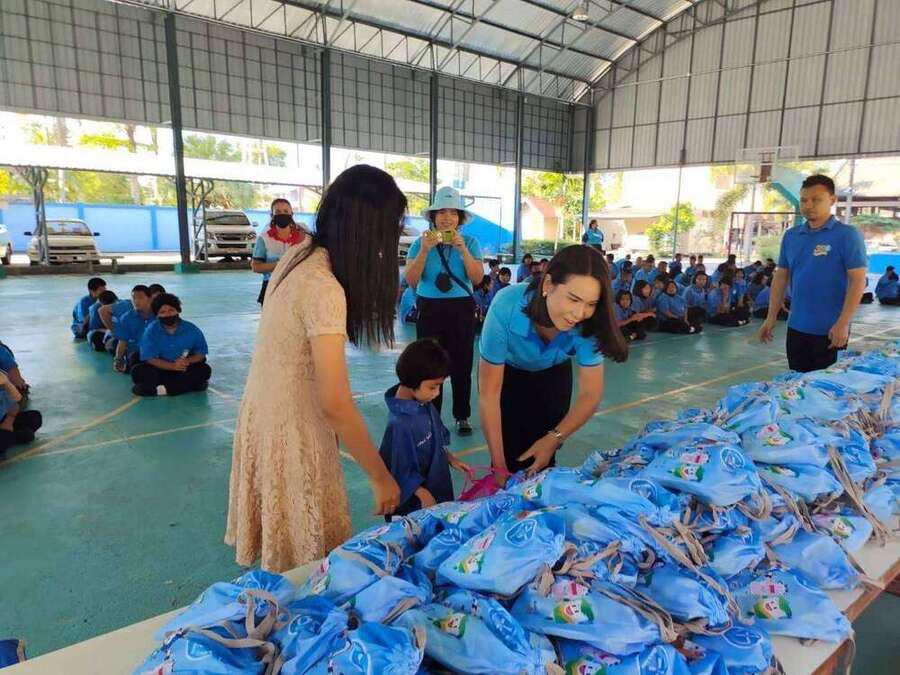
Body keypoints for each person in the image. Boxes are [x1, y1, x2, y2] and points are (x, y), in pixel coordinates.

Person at [226, 165, 404, 572]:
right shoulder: (324, 286)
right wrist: (380, 477)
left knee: (290, 557)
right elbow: (336, 403)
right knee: (305, 565)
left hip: (264, 414)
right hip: (292, 429)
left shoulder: (299, 255)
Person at [478, 245, 629, 476]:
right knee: (509, 453)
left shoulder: (589, 324)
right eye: (573, 299)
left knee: (543, 457)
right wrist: (498, 466)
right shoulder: (506, 305)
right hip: (510, 374)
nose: (579, 314)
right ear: (548, 284)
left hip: (554, 375)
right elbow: (489, 393)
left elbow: (591, 394)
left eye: (591, 304)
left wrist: (555, 438)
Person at [758, 175, 868, 372]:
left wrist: (843, 323)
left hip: (831, 330)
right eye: (804, 200)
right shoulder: (791, 236)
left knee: (824, 385)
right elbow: (781, 276)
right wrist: (771, 316)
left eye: (816, 200)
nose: (808, 205)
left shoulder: (847, 235)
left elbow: (858, 281)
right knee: (797, 380)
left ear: (832, 200)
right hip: (796, 327)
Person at [404, 187, 483, 436]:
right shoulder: (419, 244)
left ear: (460, 218)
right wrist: (425, 250)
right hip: (429, 308)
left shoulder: (471, 243)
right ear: (433, 216)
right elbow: (412, 280)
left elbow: (477, 278)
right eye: (441, 212)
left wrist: (462, 250)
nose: (447, 218)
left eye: (453, 212)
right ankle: (431, 416)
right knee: (429, 365)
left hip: (461, 309)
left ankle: (462, 416)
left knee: (462, 364)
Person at [378, 339, 470, 519]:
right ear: (413, 381)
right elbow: (397, 468)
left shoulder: (424, 403)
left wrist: (450, 458)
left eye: (439, 386)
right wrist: (422, 493)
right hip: (417, 502)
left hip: (436, 484)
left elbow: (433, 441)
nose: (437, 393)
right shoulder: (400, 424)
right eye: (432, 387)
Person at [131, 293, 212, 397]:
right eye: (162, 312)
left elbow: (201, 353)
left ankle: (160, 390)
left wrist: (187, 361)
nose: (167, 315)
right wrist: (172, 366)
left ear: (178, 310)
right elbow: (149, 358)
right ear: (157, 315)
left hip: (183, 368)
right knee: (138, 371)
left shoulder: (192, 329)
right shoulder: (151, 331)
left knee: (204, 370)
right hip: (160, 368)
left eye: (171, 310)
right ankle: (186, 386)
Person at [251, 198, 306, 305]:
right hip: (272, 287)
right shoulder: (264, 239)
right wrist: (282, 264)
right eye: (278, 212)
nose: (282, 214)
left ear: (291, 214)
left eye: (286, 211)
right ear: (272, 215)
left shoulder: (303, 236)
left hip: (297, 287)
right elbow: (255, 267)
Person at [112, 285, 156, 373]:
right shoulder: (126, 318)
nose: (136, 301)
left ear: (150, 299)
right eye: (133, 298)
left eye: (140, 298)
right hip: (135, 353)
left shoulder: (159, 315)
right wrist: (118, 359)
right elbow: (122, 341)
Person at [0, 371, 42, 461]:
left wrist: (9, 420)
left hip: (4, 419)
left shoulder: (2, 377)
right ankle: (8, 439)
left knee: (35, 417)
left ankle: (10, 438)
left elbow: (16, 403)